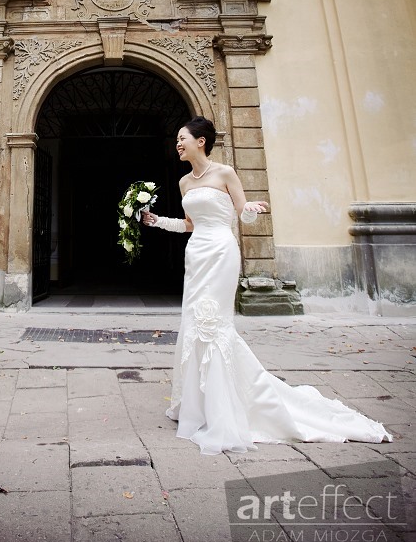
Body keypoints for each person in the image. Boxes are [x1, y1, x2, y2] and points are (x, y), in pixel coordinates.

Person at [142, 116, 391, 455]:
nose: (178, 143)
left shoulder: (226, 173)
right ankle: (198, 403)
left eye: (182, 138)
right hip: (197, 254)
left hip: (222, 252)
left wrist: (252, 211)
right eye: (176, 140)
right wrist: (158, 222)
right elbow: (188, 224)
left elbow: (242, 213)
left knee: (215, 324)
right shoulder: (185, 182)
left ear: (201, 141)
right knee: (194, 323)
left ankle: (228, 404)